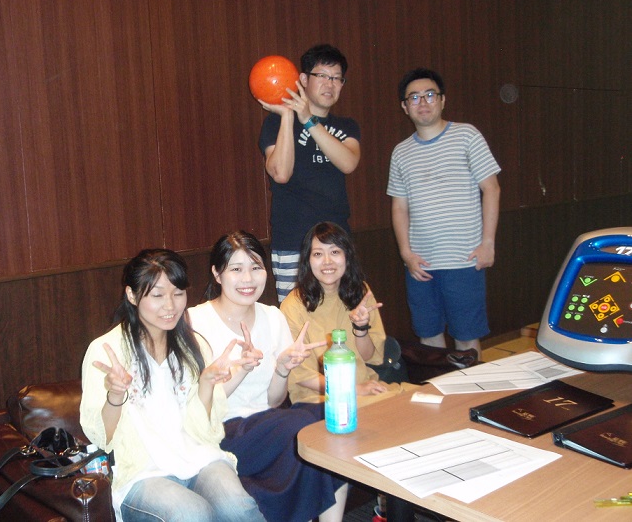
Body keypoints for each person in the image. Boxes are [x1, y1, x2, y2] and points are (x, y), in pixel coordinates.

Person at [79, 249, 265, 522]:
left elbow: (205, 430)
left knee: (239, 508)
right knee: (193, 514)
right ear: (132, 295)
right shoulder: (106, 350)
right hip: (142, 472)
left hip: (197, 456)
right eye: (157, 295)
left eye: (178, 294)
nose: (170, 305)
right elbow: (102, 438)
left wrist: (206, 384)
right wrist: (115, 394)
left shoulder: (193, 346)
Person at [188, 230, 349, 522]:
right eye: (236, 269)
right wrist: (240, 371)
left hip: (266, 424)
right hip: (221, 431)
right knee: (301, 426)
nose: (248, 279)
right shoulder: (194, 321)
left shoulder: (273, 317)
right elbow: (200, 407)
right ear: (217, 274)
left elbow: (274, 402)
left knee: (332, 417)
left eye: (255, 268)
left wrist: (282, 369)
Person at [387, 67, 501, 357]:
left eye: (429, 95)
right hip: (420, 265)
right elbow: (399, 207)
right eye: (414, 97)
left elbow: (491, 189)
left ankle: (472, 386)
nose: (422, 102)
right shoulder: (401, 152)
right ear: (405, 107)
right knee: (429, 338)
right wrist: (406, 254)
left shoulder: (467, 136)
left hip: (465, 261)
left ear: (442, 100)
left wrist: (488, 243)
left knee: (467, 340)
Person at [258, 44, 361, 303]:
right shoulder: (275, 123)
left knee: (342, 314)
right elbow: (281, 173)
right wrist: (287, 116)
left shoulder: (346, 126)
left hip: (337, 242)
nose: (330, 84)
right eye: (322, 76)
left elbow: (348, 163)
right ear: (303, 80)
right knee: (296, 316)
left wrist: (308, 120)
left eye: (337, 78)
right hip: (293, 241)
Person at [280, 222, 411, 404]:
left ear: (347, 256)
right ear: (307, 260)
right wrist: (352, 390)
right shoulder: (293, 305)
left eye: (335, 252)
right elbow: (300, 375)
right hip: (321, 398)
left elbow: (369, 357)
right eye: (318, 254)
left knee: (422, 400)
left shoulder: (360, 292)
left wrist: (361, 328)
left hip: (367, 387)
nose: (327, 261)